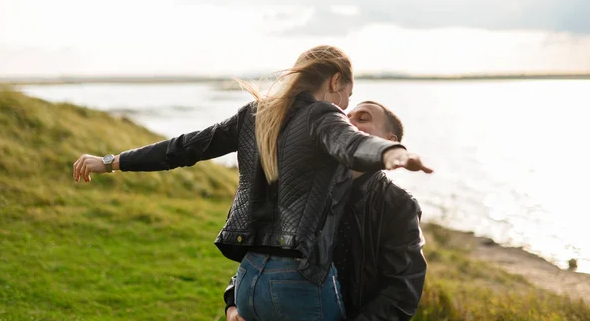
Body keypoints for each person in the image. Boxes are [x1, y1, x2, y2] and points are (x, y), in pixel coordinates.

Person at [72, 45, 433, 321]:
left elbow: (185, 148)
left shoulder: (392, 203)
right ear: (335, 82)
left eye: (361, 115)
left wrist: (109, 162)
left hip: (253, 285)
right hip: (278, 288)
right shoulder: (318, 125)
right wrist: (393, 154)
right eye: (346, 104)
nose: (345, 117)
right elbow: (187, 147)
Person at [223, 101, 427, 321]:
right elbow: (265, 256)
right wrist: (233, 304)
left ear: (389, 142)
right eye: (344, 118)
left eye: (363, 118)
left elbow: (402, 290)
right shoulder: (302, 190)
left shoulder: (398, 204)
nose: (347, 124)